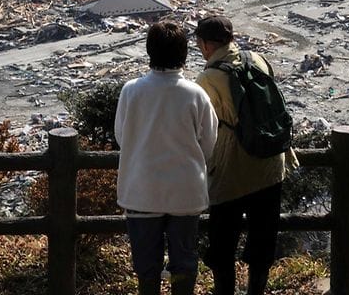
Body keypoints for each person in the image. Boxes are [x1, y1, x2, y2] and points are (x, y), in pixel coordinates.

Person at [194, 15, 296, 295]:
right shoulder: (258, 60)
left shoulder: (208, 77)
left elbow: (203, 124)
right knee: (263, 239)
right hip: (271, 164)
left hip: (233, 170)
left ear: (204, 44)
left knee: (222, 243)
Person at [115, 20, 218, 295]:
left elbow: (121, 138)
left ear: (150, 51)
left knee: (146, 265)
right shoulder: (196, 94)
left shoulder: (131, 91)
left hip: (141, 190)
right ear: (184, 53)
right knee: (184, 261)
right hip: (185, 191)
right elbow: (209, 143)